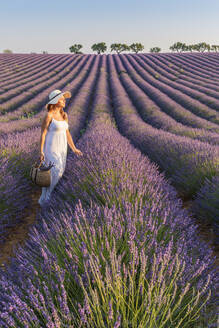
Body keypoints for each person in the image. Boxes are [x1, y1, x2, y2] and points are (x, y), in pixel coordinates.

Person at [38, 89, 83, 206]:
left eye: (64, 99)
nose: (64, 101)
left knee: (60, 172)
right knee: (54, 171)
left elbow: (67, 133)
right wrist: (41, 151)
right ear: (55, 101)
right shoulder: (49, 116)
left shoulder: (64, 115)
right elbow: (43, 134)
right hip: (51, 148)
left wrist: (74, 148)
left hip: (62, 149)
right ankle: (46, 197)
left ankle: (44, 197)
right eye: (62, 99)